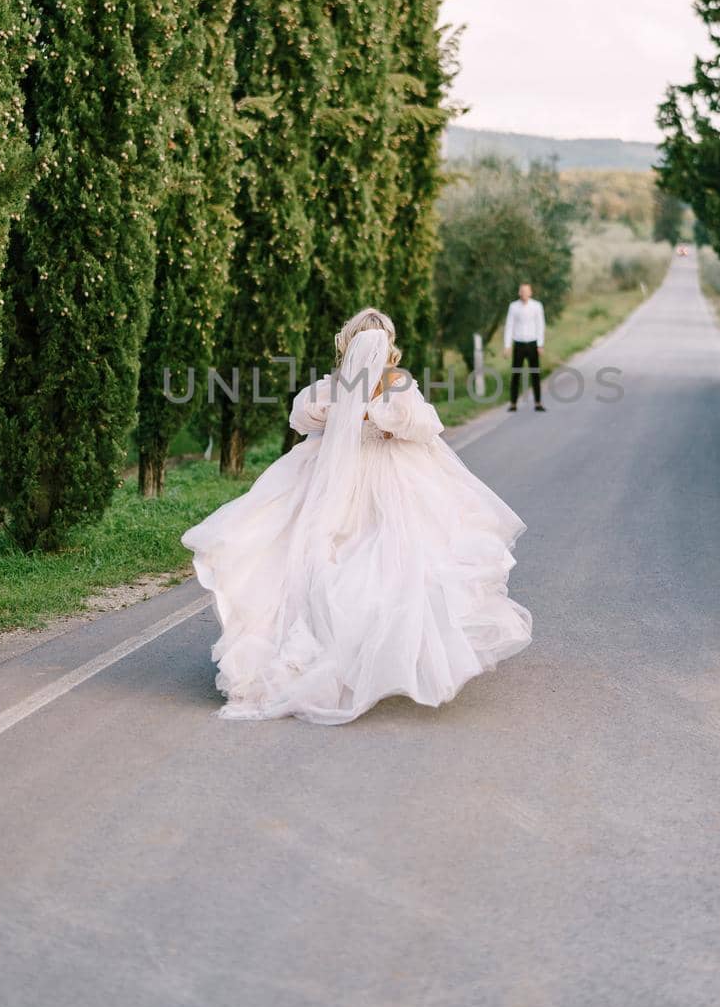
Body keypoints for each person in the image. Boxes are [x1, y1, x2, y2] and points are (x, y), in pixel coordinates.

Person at [182, 307, 532, 724]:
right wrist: (373, 414)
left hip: (332, 477)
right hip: (391, 477)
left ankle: (339, 653)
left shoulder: (333, 387)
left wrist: (353, 410)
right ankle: (379, 656)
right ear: (390, 347)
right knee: (400, 561)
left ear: (346, 343)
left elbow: (302, 417)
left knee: (320, 558)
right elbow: (424, 424)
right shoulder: (396, 385)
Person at [503, 282, 546, 412]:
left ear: (530, 292)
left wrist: (540, 344)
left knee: (535, 374)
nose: (524, 294)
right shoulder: (513, 307)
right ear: (519, 292)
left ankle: (538, 402)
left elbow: (540, 325)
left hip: (533, 343)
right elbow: (509, 326)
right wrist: (507, 345)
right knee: (516, 373)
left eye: (526, 291)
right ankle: (513, 403)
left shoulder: (537, 306)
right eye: (522, 291)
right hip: (519, 344)